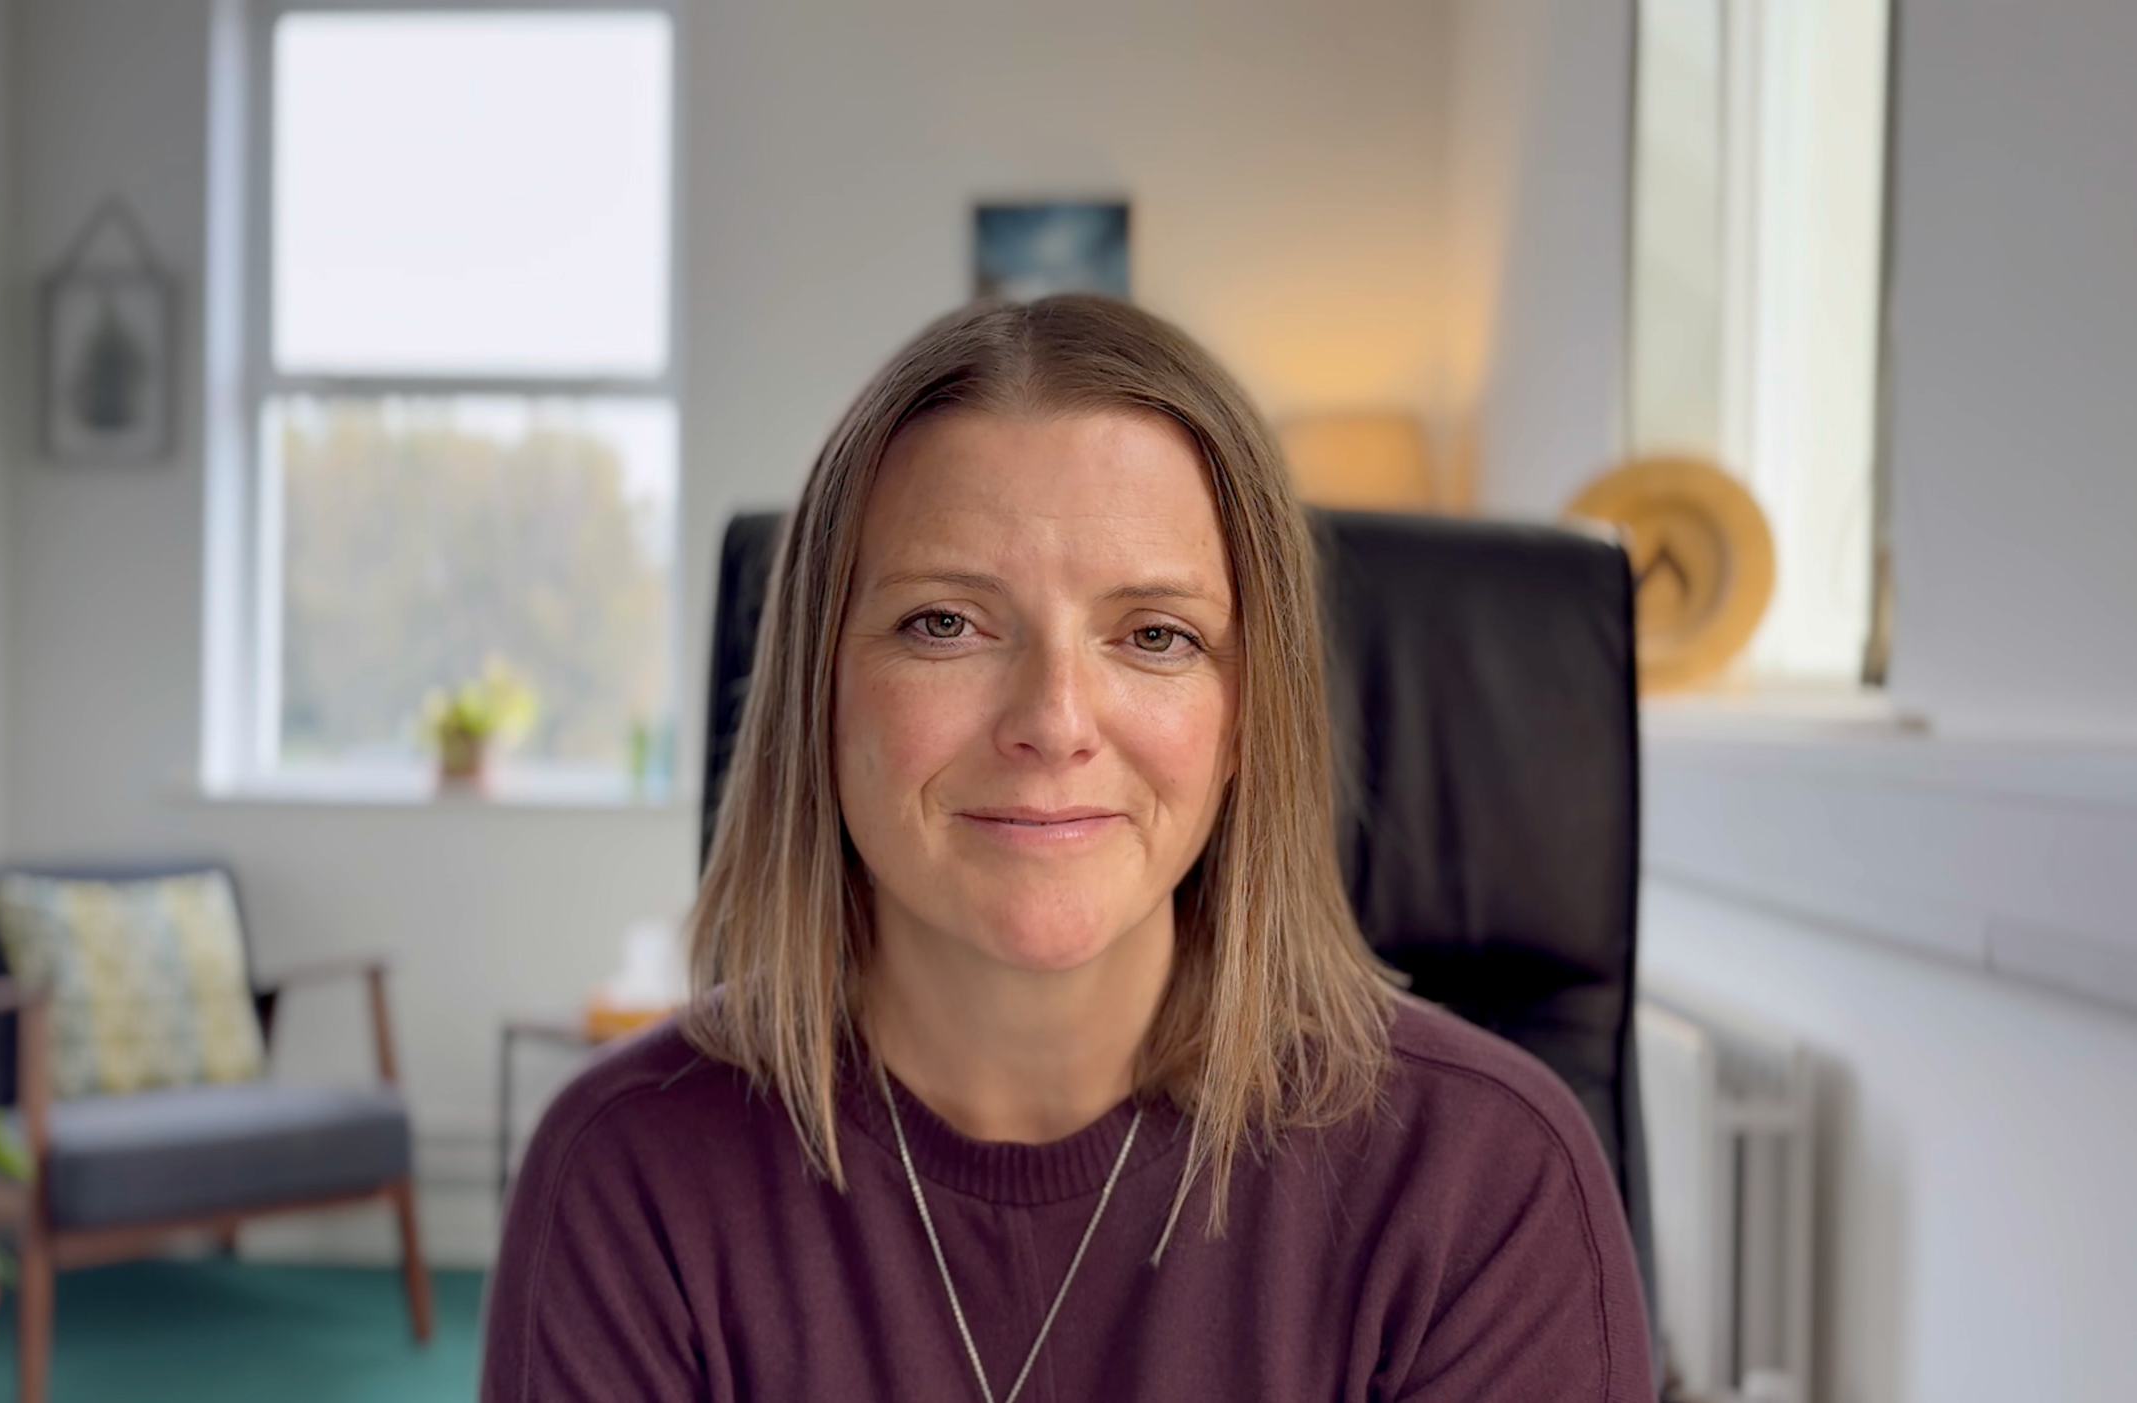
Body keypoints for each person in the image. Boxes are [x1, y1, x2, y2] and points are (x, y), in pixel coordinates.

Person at [481, 296, 1655, 1402]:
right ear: (818, 694)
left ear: (1247, 718)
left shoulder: (1484, 1182)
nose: (1053, 719)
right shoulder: (623, 1177)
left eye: (1153, 634)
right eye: (944, 622)